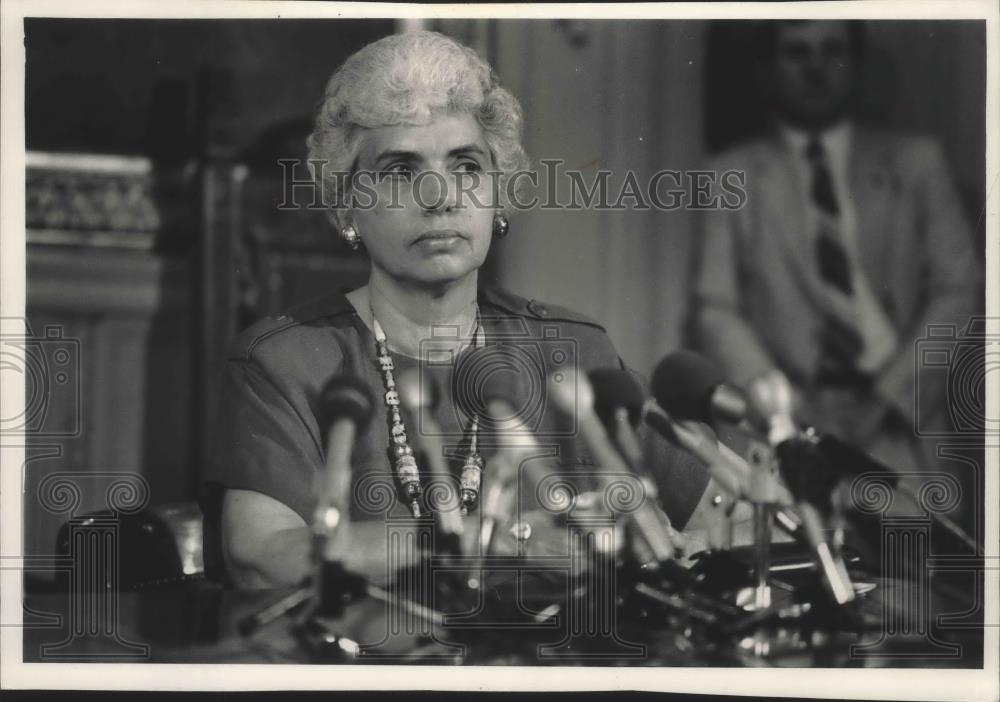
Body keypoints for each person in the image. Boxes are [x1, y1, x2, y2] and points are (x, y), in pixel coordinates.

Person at [202, 31, 713, 590]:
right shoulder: (283, 362)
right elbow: (263, 555)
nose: (440, 195)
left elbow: (723, 510)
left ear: (497, 195)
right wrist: (496, 540)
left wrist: (669, 542)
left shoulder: (574, 351)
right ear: (347, 205)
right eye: (400, 171)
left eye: (466, 166)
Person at [692, 21, 981, 513]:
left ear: (857, 65)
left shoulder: (916, 163)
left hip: (902, 430)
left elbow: (959, 287)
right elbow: (715, 306)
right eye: (797, 52)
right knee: (794, 572)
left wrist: (890, 396)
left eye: (833, 50)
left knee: (910, 583)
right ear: (767, 69)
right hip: (791, 434)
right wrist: (782, 405)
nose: (816, 67)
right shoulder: (731, 175)